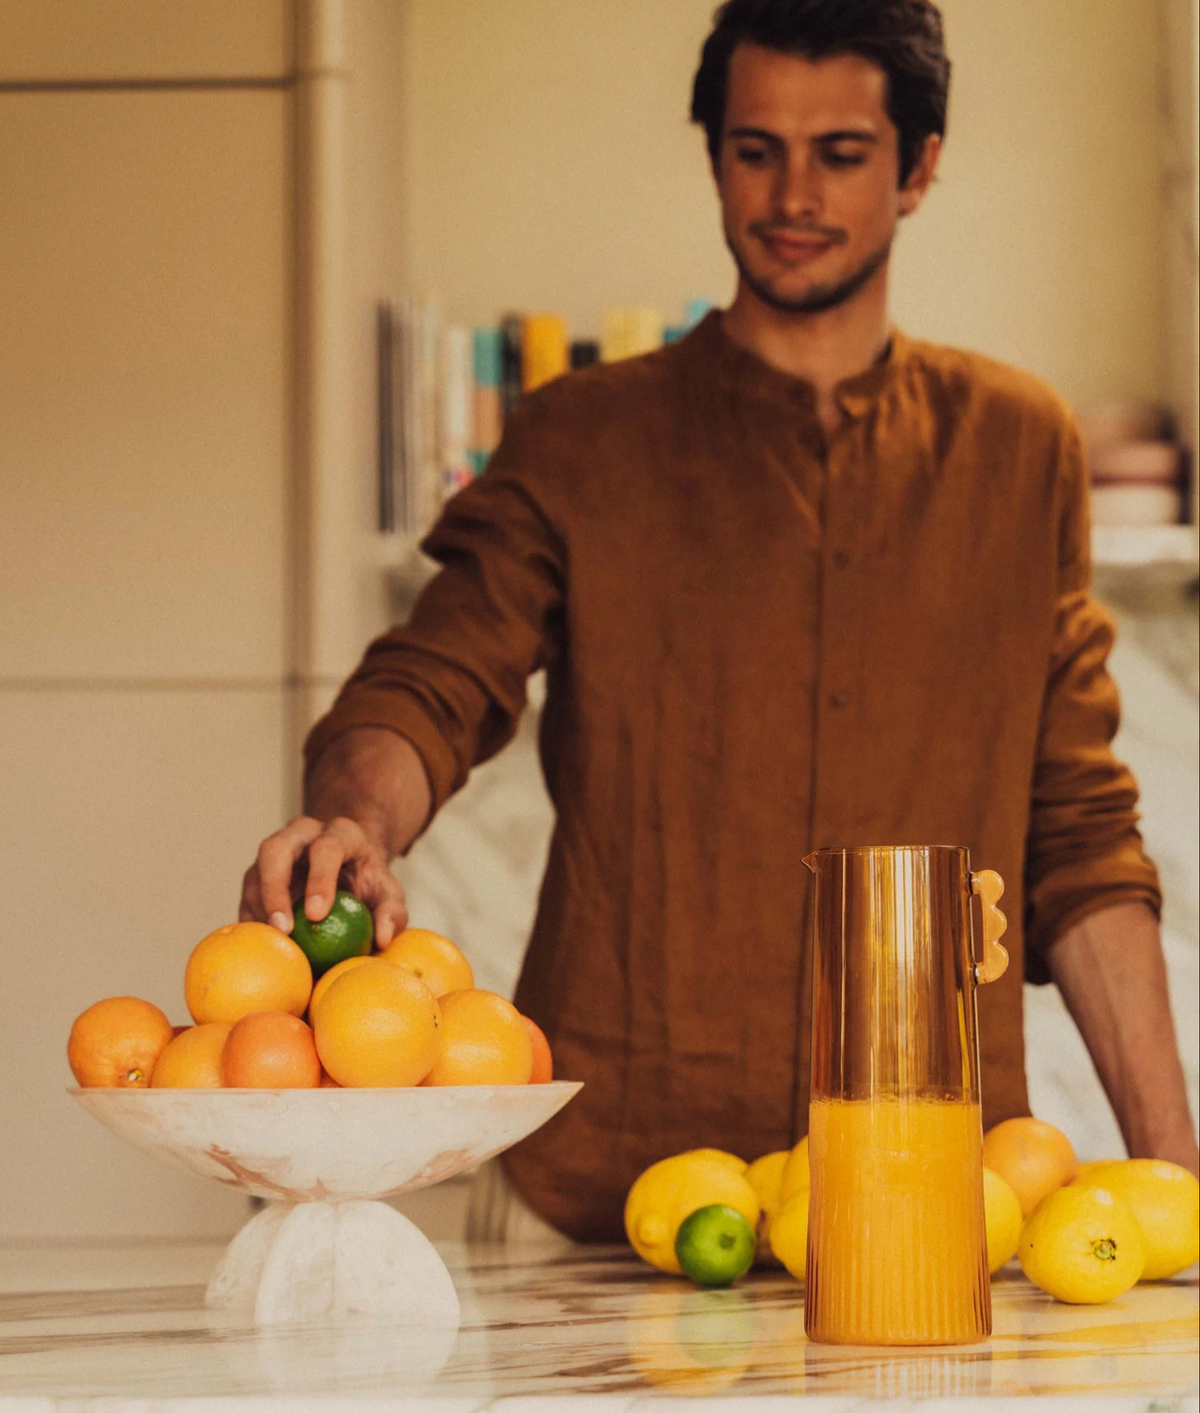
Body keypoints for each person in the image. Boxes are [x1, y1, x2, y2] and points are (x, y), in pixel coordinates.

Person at [241, 0, 1199, 1237]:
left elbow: (1078, 837)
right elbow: (437, 674)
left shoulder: (1019, 449)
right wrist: (353, 821)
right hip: (604, 1196)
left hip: (930, 1204)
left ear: (919, 168)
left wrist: (1176, 1182)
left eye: (841, 153)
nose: (792, 192)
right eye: (756, 149)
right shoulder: (582, 436)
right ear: (715, 160)